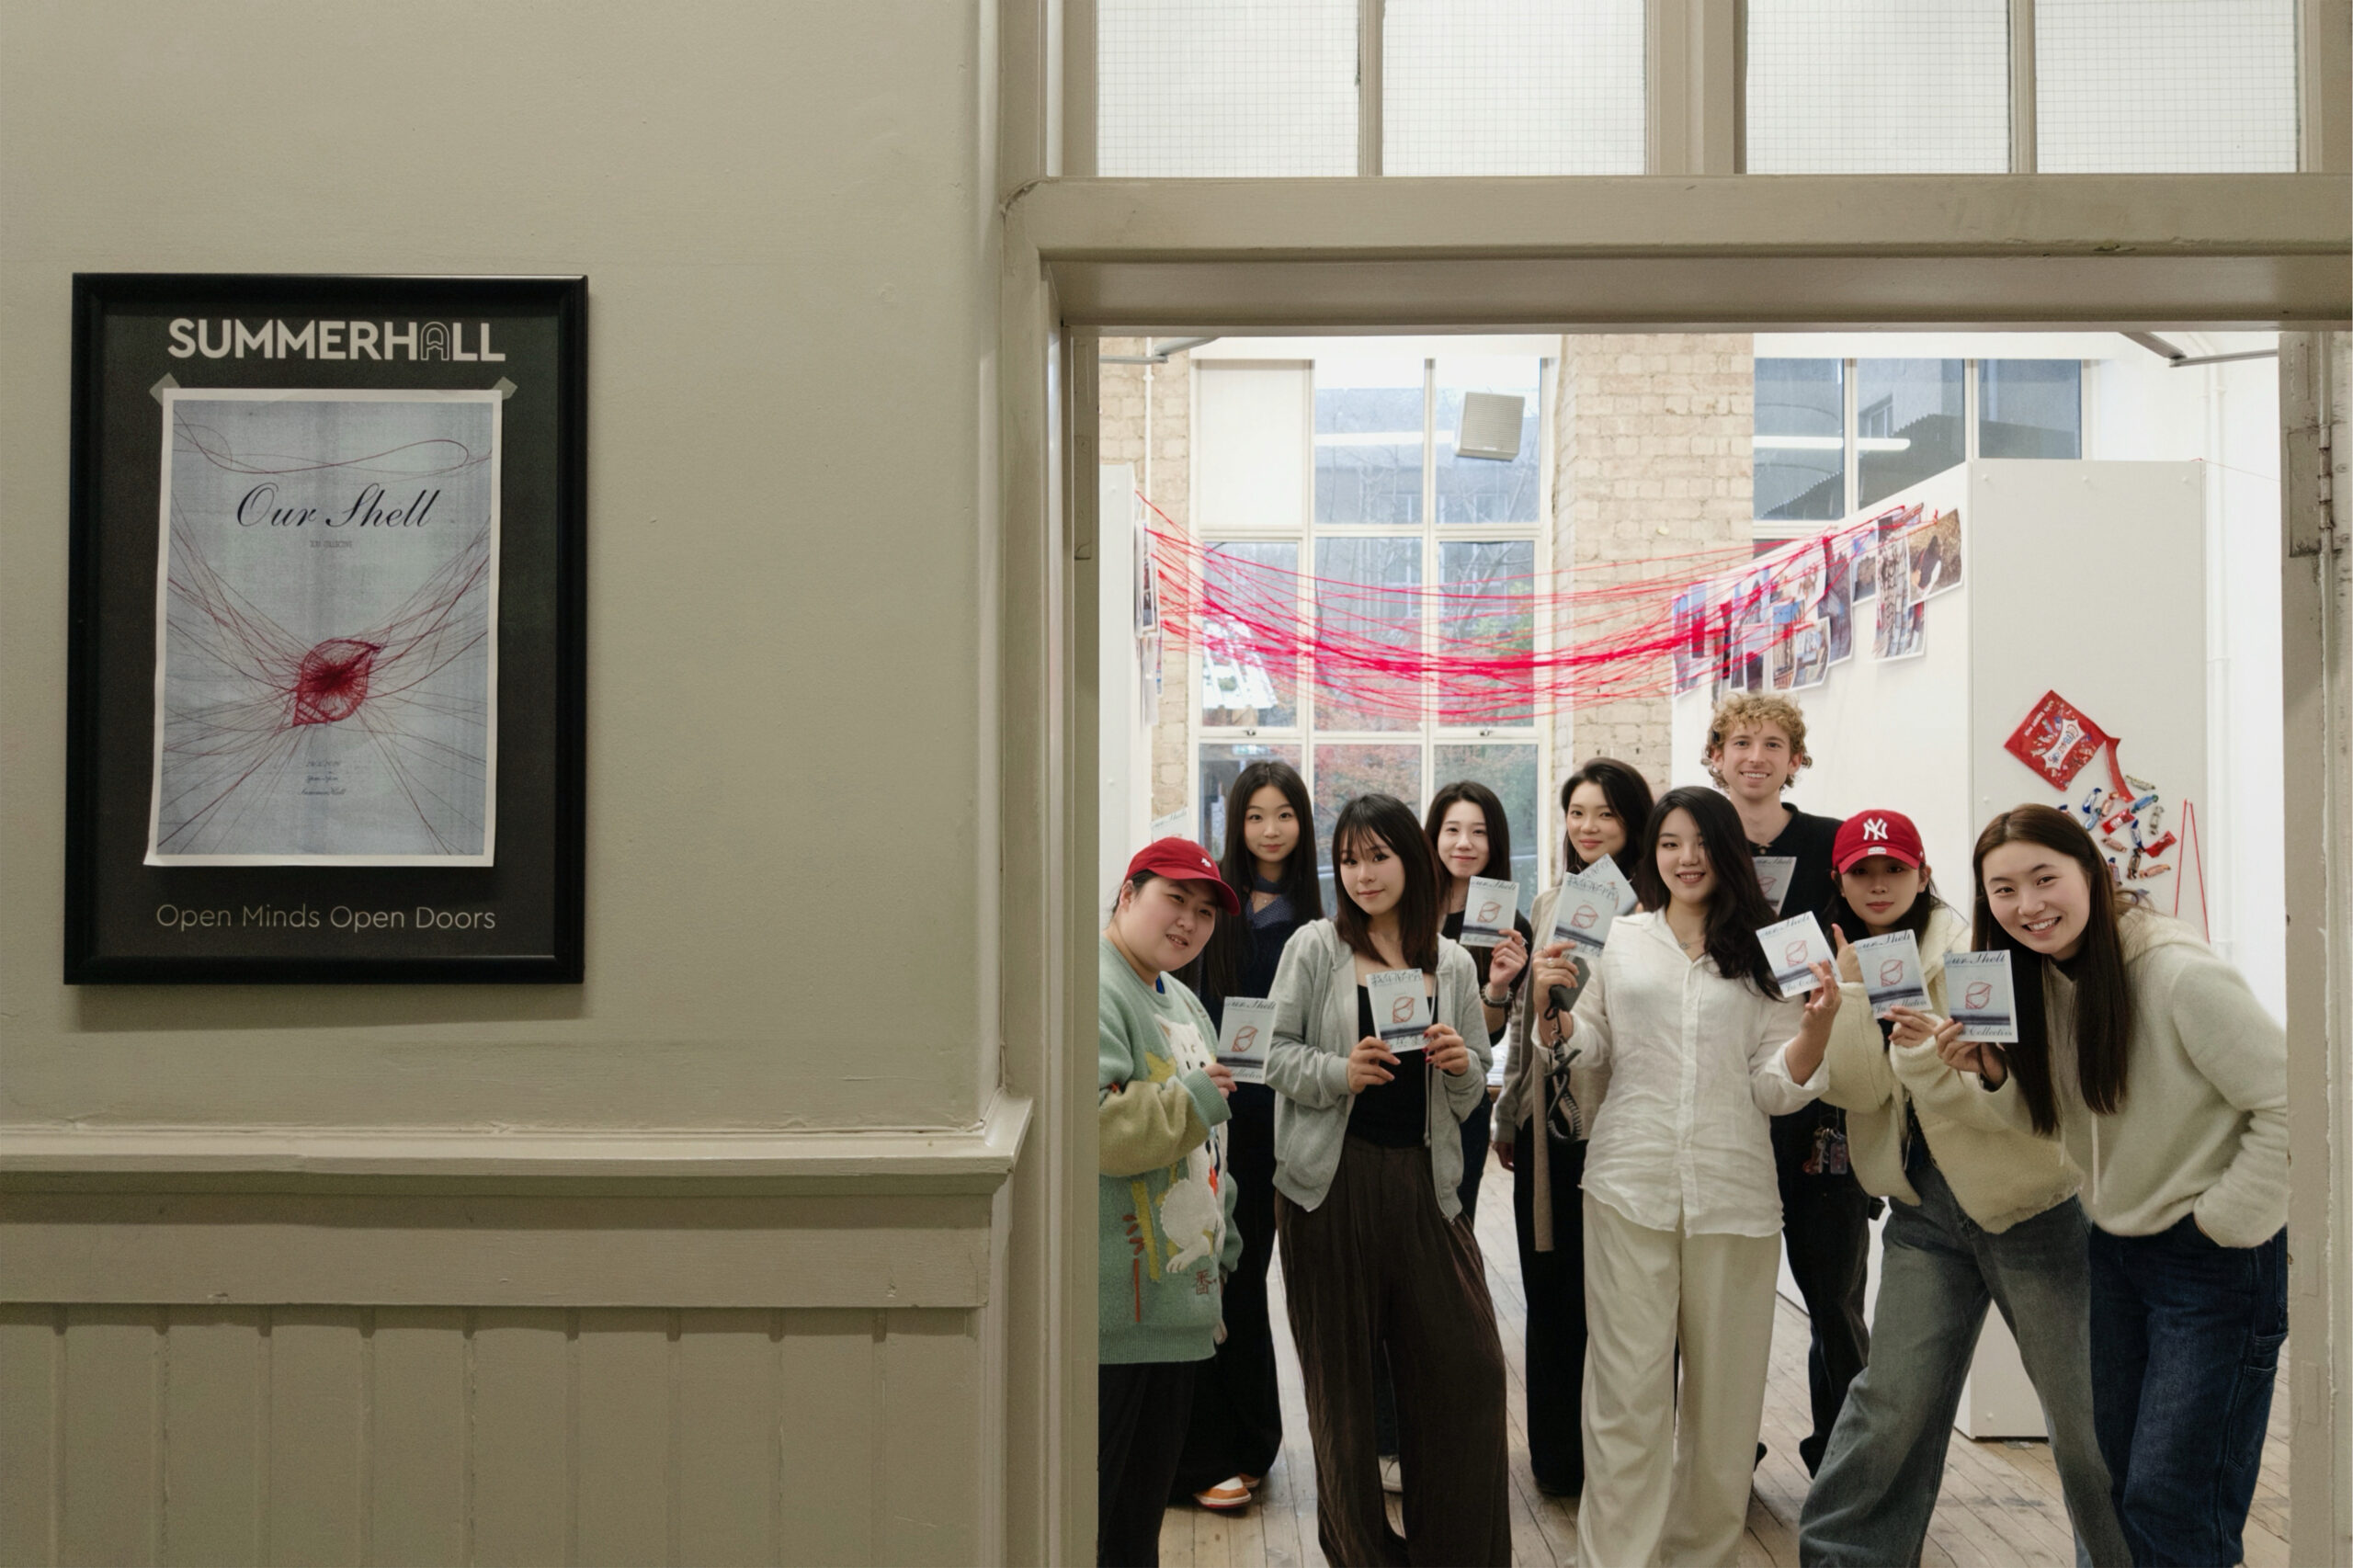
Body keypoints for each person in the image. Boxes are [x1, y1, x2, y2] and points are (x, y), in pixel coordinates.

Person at [1940, 805, 2287, 1567]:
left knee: (2176, 1496)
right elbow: (2064, 1125)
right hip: (2116, 1253)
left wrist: (2223, 1222)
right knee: (2124, 1480)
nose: (2028, 905)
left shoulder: (2176, 973)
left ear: (2093, 874)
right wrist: (1994, 1073)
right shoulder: (2042, 980)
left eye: (2044, 879)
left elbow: (2293, 1104)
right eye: (2004, 890)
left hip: (2212, 1263)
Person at [1796, 810, 2129, 1568]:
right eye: (1861, 873)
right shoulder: (1852, 958)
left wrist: (1940, 1059)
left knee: (2083, 1425)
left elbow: (2018, 1100)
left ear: (1923, 872)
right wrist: (1849, 998)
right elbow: (1857, 1088)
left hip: (2032, 1207)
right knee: (1890, 1408)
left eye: (1895, 870)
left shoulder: (1984, 946)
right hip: (1923, 1212)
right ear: (1840, 882)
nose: (1879, 885)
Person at [1529, 786, 1839, 1567]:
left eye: (1701, 842)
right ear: (1652, 854)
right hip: (1627, 1184)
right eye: (1670, 843)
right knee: (1624, 1395)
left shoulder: (1771, 948)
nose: (1686, 857)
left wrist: (1817, 1032)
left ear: (1728, 850)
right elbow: (1589, 1044)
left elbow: (1773, 1085)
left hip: (1733, 1198)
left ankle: (1701, 1555)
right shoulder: (1620, 938)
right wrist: (1552, 1016)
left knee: (1724, 1404)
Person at [1265, 792, 1509, 1567]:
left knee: (1468, 1375)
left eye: (1378, 856)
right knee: (1340, 1394)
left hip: (1426, 1188)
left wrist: (1462, 1062)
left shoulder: (1454, 961)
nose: (1363, 874)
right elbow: (1271, 1054)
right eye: (1348, 859)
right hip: (1326, 1190)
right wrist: (1342, 1070)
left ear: (1411, 858)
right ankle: (1363, 1555)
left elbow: (1472, 1088)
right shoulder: (1316, 947)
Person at [1703, 691, 1869, 1475]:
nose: (1756, 757)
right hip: (1727, 1093)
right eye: (1741, 742)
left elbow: (1885, 924)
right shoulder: (1696, 842)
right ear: (1717, 756)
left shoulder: (1833, 843)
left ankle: (1841, 1464)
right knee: (1720, 1298)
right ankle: (1728, 1451)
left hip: (1818, 1097)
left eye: (1773, 743)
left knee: (1834, 1294)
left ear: (1795, 760)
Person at [1494, 757, 1654, 1498]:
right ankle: (1558, 1458)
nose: (1588, 828)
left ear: (1635, 824)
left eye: (1606, 815)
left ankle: (1627, 1462)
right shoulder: (1554, 898)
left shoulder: (1657, 907)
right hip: (1548, 1132)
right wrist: (1508, 1111)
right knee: (1552, 1295)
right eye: (1577, 813)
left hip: (1625, 1125)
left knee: (1625, 1304)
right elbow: (1530, 1013)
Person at [1170, 762, 1320, 1515]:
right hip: (1210, 1108)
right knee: (1209, 1278)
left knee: (1249, 1276)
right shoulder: (1213, 905)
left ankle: (1249, 1441)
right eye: (1256, 815)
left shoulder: (1316, 913)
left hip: (1285, 1119)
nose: (1270, 829)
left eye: (1284, 814)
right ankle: (1203, 1450)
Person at [1097, 837, 1247, 1568]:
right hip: (1116, 1316)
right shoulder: (1094, 984)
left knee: (1138, 1520)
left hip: (1178, 1304)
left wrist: (1224, 1245)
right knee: (1102, 1520)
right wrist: (1191, 1099)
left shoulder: (1182, 998)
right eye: (1173, 901)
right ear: (1127, 896)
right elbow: (1091, 1128)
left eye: (1204, 912)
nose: (1188, 923)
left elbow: (1209, 1146)